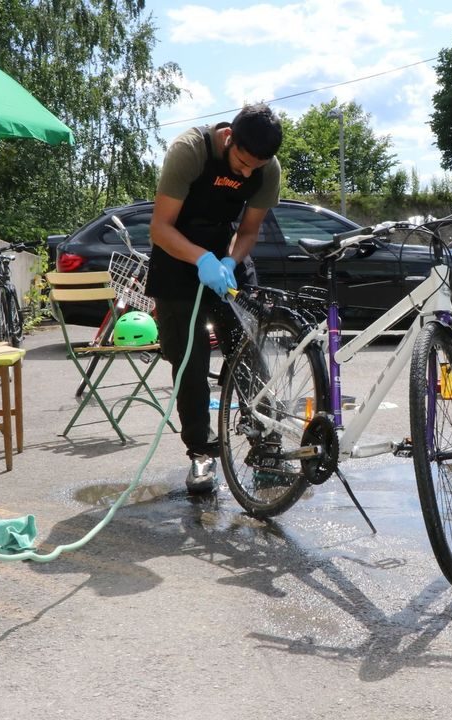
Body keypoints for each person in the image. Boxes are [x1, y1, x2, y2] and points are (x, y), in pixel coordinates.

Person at [145, 103, 283, 495]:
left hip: (225, 256)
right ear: (228, 139)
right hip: (177, 255)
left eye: (255, 167)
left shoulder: (265, 169)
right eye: (241, 162)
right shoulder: (190, 151)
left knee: (247, 353)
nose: (245, 173)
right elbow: (160, 227)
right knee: (189, 362)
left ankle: (267, 445)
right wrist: (201, 259)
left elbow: (250, 231)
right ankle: (202, 454)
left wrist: (227, 260)